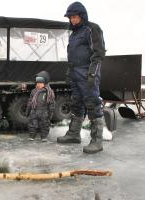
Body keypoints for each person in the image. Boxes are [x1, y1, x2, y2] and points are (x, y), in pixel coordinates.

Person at [57, 2, 106, 154]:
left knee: (92, 104)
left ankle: (97, 141)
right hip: (75, 74)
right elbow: (72, 56)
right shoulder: (74, 34)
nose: (72, 19)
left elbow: (98, 54)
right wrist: (68, 72)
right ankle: (74, 134)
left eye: (75, 16)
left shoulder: (92, 29)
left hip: (87, 74)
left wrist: (92, 73)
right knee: (76, 103)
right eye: (70, 17)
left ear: (81, 15)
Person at [26, 71, 55, 142]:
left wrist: (50, 113)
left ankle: (44, 136)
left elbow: (51, 103)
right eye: (37, 83)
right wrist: (28, 110)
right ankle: (32, 135)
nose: (38, 85)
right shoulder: (34, 91)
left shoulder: (49, 92)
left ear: (45, 83)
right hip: (34, 111)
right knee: (32, 124)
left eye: (40, 83)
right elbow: (30, 101)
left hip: (44, 112)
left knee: (44, 124)